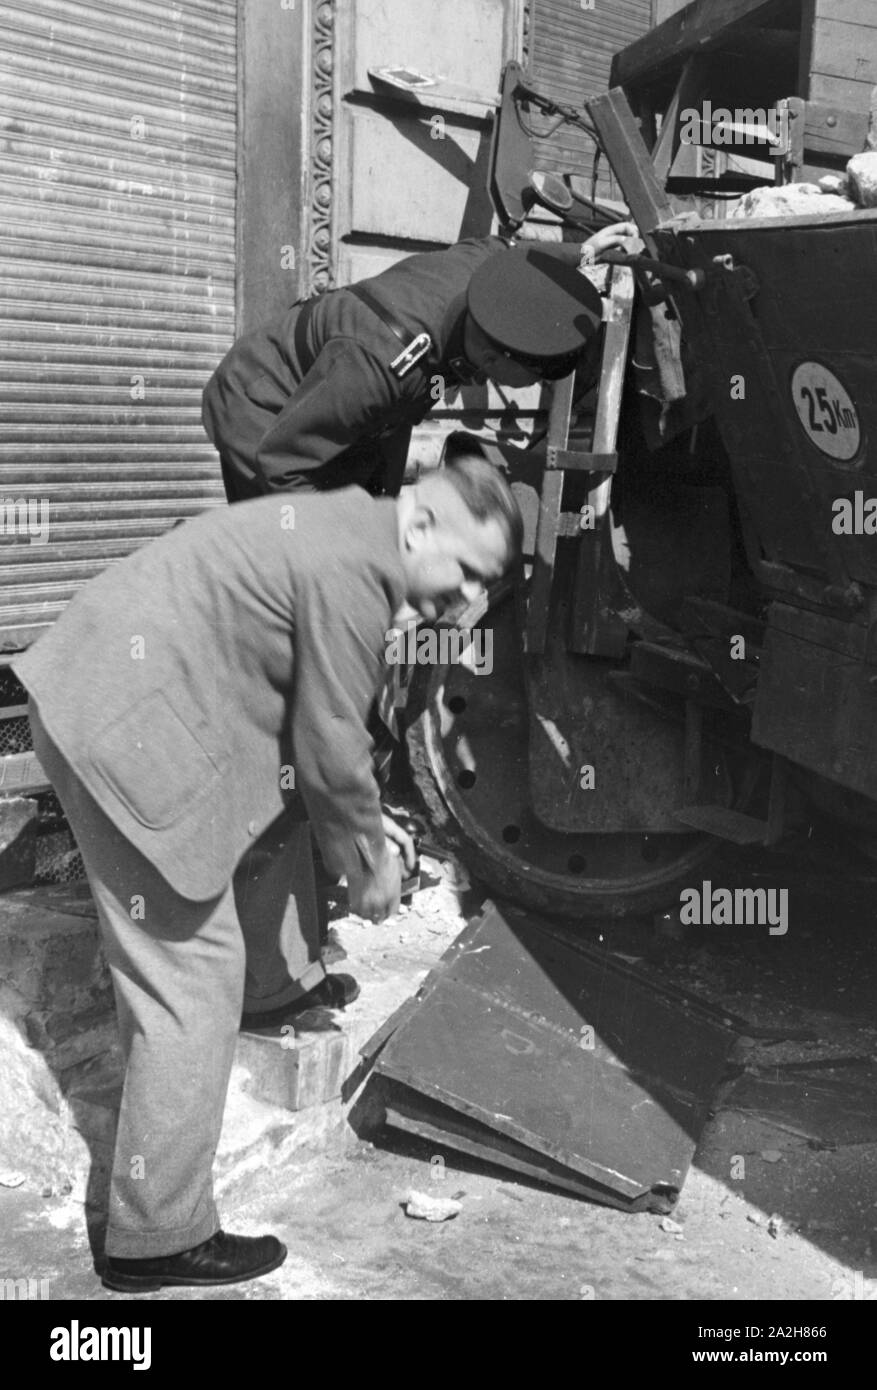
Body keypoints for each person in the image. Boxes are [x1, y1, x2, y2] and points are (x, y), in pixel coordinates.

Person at [14, 450, 523, 1293]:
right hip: (118, 721)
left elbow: (315, 733)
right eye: (467, 571)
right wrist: (369, 870)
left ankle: (271, 991)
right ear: (423, 522)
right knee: (188, 984)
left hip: (105, 691)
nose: (467, 599)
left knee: (256, 832)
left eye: (485, 583)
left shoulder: (352, 533)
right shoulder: (354, 568)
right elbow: (329, 744)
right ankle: (158, 1238)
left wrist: (356, 831)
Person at [202, 226, 636, 503]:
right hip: (260, 408)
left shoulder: (486, 272)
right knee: (287, 565)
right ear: (491, 357)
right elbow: (280, 464)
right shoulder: (382, 367)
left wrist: (582, 251)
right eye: (533, 377)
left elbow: (510, 250)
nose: (531, 387)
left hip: (339, 407)